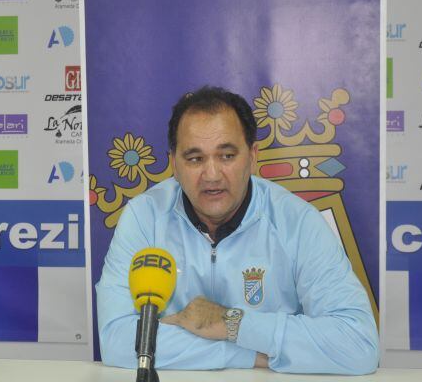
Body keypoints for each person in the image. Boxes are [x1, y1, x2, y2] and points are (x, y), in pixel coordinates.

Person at [96, 86, 379, 374]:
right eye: (195, 159)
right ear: (174, 165)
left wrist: (230, 322)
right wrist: (246, 352)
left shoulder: (297, 221)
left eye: (227, 156)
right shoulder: (144, 217)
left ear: (253, 156)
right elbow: (117, 341)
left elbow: (358, 344)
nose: (212, 175)